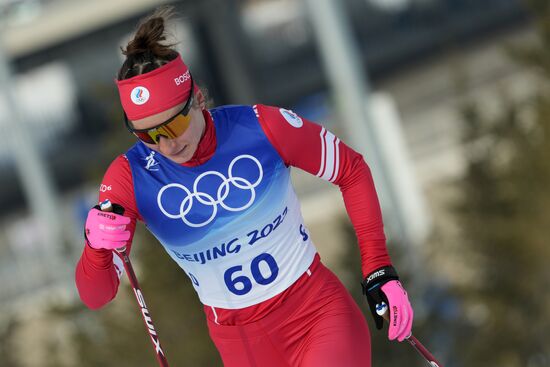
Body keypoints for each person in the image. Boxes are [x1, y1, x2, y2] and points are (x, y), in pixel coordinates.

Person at [75, 7, 413, 367]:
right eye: (148, 135)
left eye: (173, 126)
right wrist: (95, 248)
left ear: (198, 100)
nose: (167, 144)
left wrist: (379, 268)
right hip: (240, 345)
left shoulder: (260, 128)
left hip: (316, 316)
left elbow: (351, 169)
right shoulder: (129, 176)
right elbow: (95, 296)